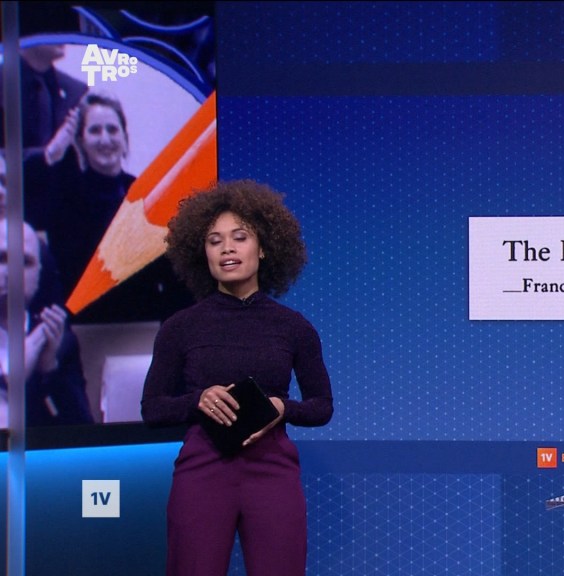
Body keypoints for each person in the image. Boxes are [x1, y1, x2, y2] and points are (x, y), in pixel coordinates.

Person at [140, 180, 333, 576]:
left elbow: (322, 406)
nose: (227, 248)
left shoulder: (294, 327)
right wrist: (197, 399)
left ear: (263, 248)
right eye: (214, 241)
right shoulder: (180, 328)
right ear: (203, 254)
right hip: (202, 468)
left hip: (273, 469)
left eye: (239, 237)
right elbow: (153, 408)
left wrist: (282, 407)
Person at [23, 91, 192, 323]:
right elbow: (28, 209)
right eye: (95, 131)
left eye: (112, 130)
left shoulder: (151, 195)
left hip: (143, 326)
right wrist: (52, 153)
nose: (105, 139)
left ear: (124, 138)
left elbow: (174, 273)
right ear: (81, 142)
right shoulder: (65, 197)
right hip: (84, 327)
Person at [0, 213, 93, 428]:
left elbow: (82, 431)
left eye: (25, 262)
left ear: (39, 274)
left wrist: (48, 370)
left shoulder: (59, 340)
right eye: (2, 258)